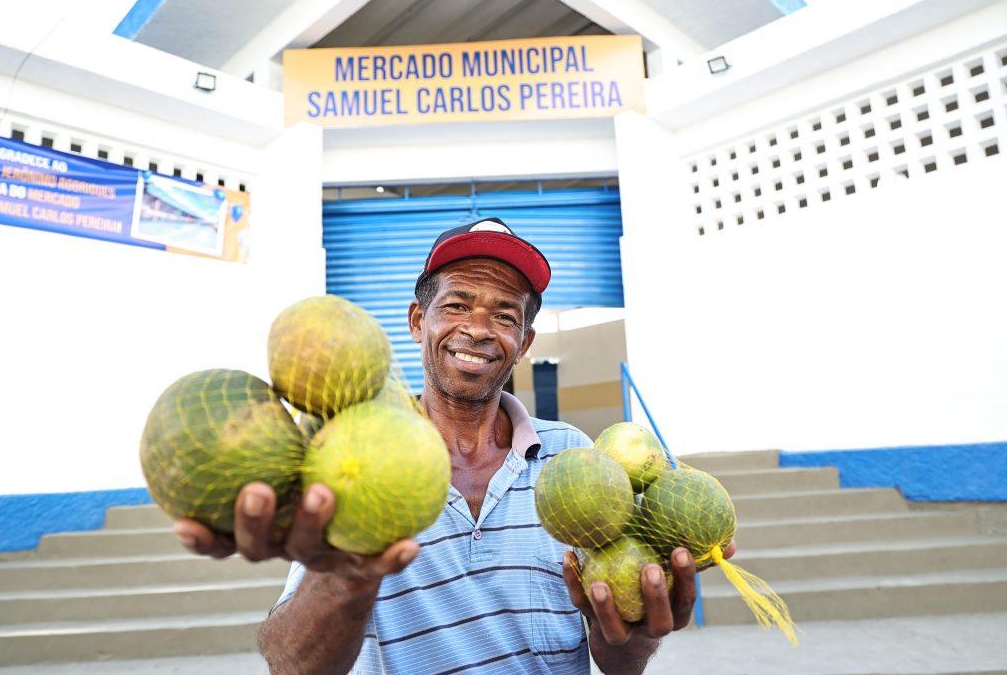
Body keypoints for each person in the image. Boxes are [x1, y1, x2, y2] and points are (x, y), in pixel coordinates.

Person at [172, 217, 734, 674]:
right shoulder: (353, 458)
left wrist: (634, 641)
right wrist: (349, 574)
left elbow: (611, 651)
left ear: (524, 343)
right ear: (419, 321)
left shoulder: (577, 459)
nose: (479, 328)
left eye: (504, 315)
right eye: (457, 305)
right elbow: (293, 667)